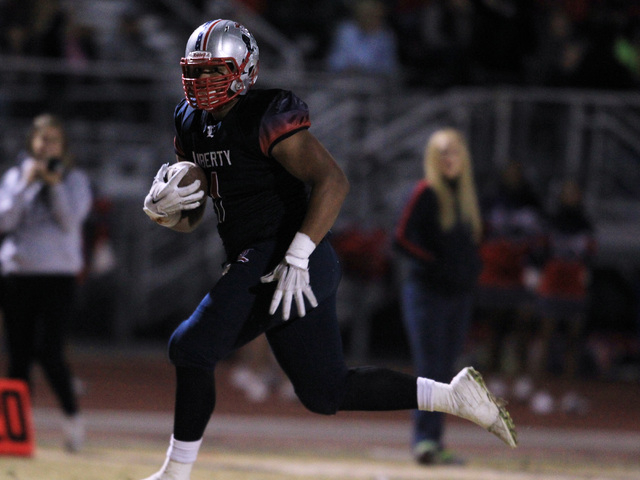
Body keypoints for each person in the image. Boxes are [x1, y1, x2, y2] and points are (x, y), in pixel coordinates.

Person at [139, 19, 517, 480]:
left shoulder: (266, 113)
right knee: (325, 393)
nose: (201, 83)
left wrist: (299, 254)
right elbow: (193, 217)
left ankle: (175, 474)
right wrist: (166, 211)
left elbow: (333, 181)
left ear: (244, 69)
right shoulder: (189, 122)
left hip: (290, 255)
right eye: (193, 73)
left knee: (190, 346)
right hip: (268, 260)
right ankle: (452, 396)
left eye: (213, 71)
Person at [0, 113, 93, 452]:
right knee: (18, 356)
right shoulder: (15, 176)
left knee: (49, 352)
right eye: (41, 139)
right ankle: (15, 432)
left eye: (53, 139)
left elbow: (70, 222)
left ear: (62, 146)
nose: (45, 145)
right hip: (17, 276)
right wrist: (25, 186)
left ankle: (72, 422)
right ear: (32, 142)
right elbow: (3, 220)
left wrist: (53, 185)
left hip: (57, 277)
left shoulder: (74, 179)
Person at [394, 128, 483, 465]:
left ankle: (433, 440)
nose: (449, 159)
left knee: (446, 370)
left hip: (457, 297)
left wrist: (469, 270)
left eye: (455, 152)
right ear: (433, 158)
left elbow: (470, 245)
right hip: (426, 294)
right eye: (443, 152)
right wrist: (435, 265)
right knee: (430, 370)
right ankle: (425, 441)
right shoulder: (424, 192)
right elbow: (400, 238)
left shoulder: (468, 198)